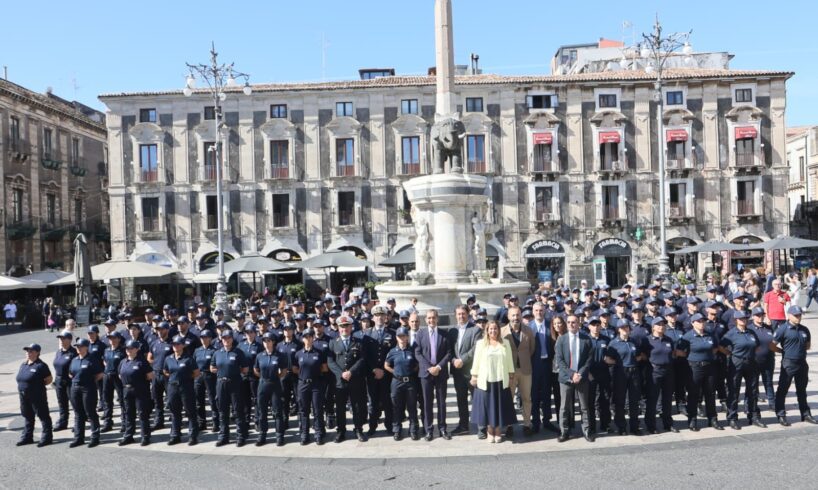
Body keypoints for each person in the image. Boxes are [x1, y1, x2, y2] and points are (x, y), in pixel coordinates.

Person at [470, 321, 517, 443]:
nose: (493, 331)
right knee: (488, 407)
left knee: (499, 407)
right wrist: (474, 375)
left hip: (500, 380)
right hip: (486, 380)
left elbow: (509, 360)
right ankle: (490, 430)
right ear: (487, 330)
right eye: (490, 329)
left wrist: (511, 374)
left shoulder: (505, 343)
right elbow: (476, 361)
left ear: (499, 330)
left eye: (495, 328)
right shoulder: (481, 344)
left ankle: (498, 430)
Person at [720, 311, 766, 429]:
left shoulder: (751, 332)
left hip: (751, 362)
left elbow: (756, 346)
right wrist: (730, 354)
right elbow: (720, 347)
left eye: (745, 318)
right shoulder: (730, 334)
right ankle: (732, 417)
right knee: (734, 391)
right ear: (736, 320)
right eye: (741, 319)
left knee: (753, 391)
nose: (743, 320)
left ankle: (753, 416)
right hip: (737, 363)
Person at [772, 306, 817, 426]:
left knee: (802, 390)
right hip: (789, 363)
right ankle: (781, 414)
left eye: (799, 315)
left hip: (802, 363)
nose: (798, 317)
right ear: (789, 315)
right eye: (796, 315)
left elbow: (808, 345)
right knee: (782, 390)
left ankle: (805, 414)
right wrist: (782, 351)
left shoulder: (804, 329)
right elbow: (772, 345)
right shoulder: (783, 329)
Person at [677, 313, 722, 431]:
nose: (702, 323)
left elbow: (715, 348)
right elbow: (679, 351)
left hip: (710, 367)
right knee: (693, 394)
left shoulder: (710, 334)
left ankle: (712, 419)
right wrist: (691, 357)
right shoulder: (688, 336)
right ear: (693, 323)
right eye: (699, 321)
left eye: (703, 321)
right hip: (695, 368)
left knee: (710, 393)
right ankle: (692, 420)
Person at [327, 315, 368, 442]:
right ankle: (341, 431)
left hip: (355, 379)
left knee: (356, 406)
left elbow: (362, 359)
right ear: (338, 328)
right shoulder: (333, 342)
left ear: (351, 327)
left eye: (346, 326)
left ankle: (358, 429)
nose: (344, 329)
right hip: (340, 381)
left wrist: (351, 372)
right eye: (341, 326)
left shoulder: (358, 342)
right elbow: (330, 361)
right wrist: (341, 374)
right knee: (340, 407)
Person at [554, 315, 593, 442]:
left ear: (579, 324)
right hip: (566, 378)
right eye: (569, 322)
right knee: (564, 407)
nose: (571, 324)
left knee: (584, 406)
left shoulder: (586, 339)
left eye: (574, 322)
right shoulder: (561, 339)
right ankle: (564, 431)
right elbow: (560, 360)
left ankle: (586, 430)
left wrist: (579, 374)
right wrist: (572, 374)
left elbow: (589, 359)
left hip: (582, 378)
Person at [414, 309, 452, 441]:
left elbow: (449, 353)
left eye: (433, 318)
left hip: (441, 373)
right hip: (426, 373)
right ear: (426, 320)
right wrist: (429, 367)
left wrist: (438, 367)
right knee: (427, 403)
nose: (431, 320)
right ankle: (428, 430)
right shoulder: (420, 334)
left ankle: (442, 428)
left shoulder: (444, 334)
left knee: (442, 402)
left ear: (437, 319)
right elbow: (417, 353)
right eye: (429, 318)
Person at [359, 305, 396, 436]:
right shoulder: (367, 333)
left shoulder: (392, 333)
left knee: (387, 401)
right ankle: (372, 426)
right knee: (372, 401)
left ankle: (389, 425)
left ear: (386, 317)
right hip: (372, 373)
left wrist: (385, 369)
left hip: (387, 373)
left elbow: (393, 353)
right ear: (373, 318)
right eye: (377, 315)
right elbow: (364, 354)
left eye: (382, 315)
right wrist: (374, 369)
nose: (379, 317)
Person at [210, 329, 250, 446]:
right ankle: (224, 436)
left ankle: (240, 436)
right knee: (222, 411)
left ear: (232, 339)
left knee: (238, 411)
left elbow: (245, 369)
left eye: (228, 338)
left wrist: (233, 372)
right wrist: (222, 371)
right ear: (221, 339)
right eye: (224, 338)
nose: (226, 340)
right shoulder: (217, 353)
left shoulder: (238, 352)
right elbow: (212, 367)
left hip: (235, 383)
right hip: (221, 383)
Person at [500, 305, 535, 437]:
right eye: (513, 315)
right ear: (508, 316)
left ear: (521, 316)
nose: (516, 317)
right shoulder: (502, 332)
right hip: (509, 371)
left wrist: (524, 359)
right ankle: (509, 425)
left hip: (525, 369)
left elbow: (532, 349)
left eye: (518, 315)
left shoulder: (528, 330)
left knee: (526, 398)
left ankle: (527, 424)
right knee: (509, 399)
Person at [605, 321, 643, 435]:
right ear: (618, 330)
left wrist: (633, 361)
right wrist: (619, 363)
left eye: (627, 327)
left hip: (634, 372)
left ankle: (634, 426)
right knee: (620, 400)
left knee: (634, 401)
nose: (625, 329)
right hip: (620, 372)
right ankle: (621, 427)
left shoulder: (634, 341)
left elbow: (639, 356)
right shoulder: (614, 343)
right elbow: (607, 359)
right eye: (622, 327)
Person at [164, 335, 201, 445]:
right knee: (174, 412)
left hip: (186, 387)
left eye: (178, 344)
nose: (175, 346)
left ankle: (193, 436)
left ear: (183, 345)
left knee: (190, 411)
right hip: (172, 387)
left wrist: (185, 378)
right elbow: (166, 371)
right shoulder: (168, 358)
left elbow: (196, 373)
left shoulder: (188, 358)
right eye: (174, 344)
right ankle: (175, 435)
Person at [384, 326, 420, 441]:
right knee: (396, 407)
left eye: (404, 336)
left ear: (407, 337)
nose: (402, 338)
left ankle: (413, 430)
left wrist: (411, 372)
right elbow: (386, 365)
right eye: (399, 336)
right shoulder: (392, 351)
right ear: (396, 337)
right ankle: (397, 430)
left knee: (412, 407)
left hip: (410, 382)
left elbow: (417, 364)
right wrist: (395, 372)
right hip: (397, 382)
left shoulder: (412, 350)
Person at [643, 317, 678, 433]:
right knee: (652, 399)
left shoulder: (668, 339)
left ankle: (668, 424)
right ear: (653, 327)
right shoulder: (647, 340)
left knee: (667, 399)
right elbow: (643, 355)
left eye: (663, 324)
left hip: (668, 371)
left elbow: (672, 353)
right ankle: (651, 425)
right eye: (659, 324)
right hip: (654, 371)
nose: (661, 327)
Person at [449, 305, 480, 436]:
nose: (461, 316)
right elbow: (449, 349)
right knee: (461, 400)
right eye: (459, 314)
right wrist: (453, 360)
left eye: (463, 313)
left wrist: (462, 360)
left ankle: (481, 427)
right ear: (455, 315)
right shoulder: (452, 330)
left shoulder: (475, 329)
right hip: (458, 372)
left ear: (468, 314)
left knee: (477, 400)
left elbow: (476, 348)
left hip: (472, 372)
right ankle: (463, 426)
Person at [294, 328, 328, 445]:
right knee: (304, 410)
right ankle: (305, 434)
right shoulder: (298, 354)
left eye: (310, 337)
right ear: (302, 339)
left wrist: (314, 373)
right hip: (303, 384)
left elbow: (324, 368)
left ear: (313, 338)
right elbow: (294, 368)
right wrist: (304, 374)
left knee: (318, 410)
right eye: (306, 337)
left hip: (316, 384)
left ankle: (318, 433)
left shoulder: (319, 353)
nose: (308, 339)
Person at [68, 338, 104, 447]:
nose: (78, 348)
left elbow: (99, 374)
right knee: (78, 413)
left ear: (86, 347)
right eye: (77, 347)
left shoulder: (92, 359)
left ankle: (95, 437)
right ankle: (79, 438)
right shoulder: (74, 360)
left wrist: (89, 381)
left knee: (90, 412)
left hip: (88, 388)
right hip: (75, 388)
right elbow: (70, 373)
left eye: (81, 346)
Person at [16, 343, 53, 447]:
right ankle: (27, 437)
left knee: (43, 416)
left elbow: (49, 379)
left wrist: (37, 386)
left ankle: (47, 438)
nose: (28, 353)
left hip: (37, 395)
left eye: (31, 351)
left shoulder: (41, 365)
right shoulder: (23, 364)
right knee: (28, 416)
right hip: (23, 395)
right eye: (27, 351)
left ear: (37, 353)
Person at [118, 339, 154, 446]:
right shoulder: (123, 362)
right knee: (129, 414)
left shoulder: (142, 361)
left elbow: (150, 376)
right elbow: (120, 375)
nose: (128, 350)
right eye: (127, 348)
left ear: (137, 349)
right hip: (127, 390)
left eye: (131, 348)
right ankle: (129, 436)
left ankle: (145, 436)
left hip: (140, 390)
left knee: (142, 414)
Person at [254, 331, 285, 446]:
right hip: (263, 385)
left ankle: (279, 435)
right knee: (262, 411)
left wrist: (275, 378)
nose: (266, 343)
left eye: (269, 341)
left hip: (275, 385)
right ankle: (262, 435)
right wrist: (263, 378)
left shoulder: (279, 355)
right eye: (264, 341)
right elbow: (256, 369)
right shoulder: (259, 356)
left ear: (273, 342)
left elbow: (284, 371)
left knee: (277, 411)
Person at [530, 302, 557, 434]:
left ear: (544, 311)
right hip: (534, 365)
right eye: (536, 310)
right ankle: (535, 422)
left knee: (547, 393)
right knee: (534, 394)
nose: (539, 313)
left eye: (541, 310)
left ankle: (547, 420)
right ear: (533, 312)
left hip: (548, 363)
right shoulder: (528, 327)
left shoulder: (550, 324)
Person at [193, 330, 219, 433]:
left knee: (213, 400)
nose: (204, 339)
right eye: (202, 337)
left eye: (206, 337)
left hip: (210, 376)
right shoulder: (197, 350)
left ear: (210, 338)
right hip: (199, 376)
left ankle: (216, 422)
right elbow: (193, 363)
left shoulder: (214, 351)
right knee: (199, 401)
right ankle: (201, 422)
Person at [101, 331, 126, 432]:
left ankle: (124, 422)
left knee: (122, 400)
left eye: (114, 338)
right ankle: (108, 422)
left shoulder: (123, 351)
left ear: (119, 339)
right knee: (107, 400)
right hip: (107, 376)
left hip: (118, 377)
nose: (112, 340)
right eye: (110, 338)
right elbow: (104, 361)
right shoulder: (106, 350)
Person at [52, 331, 77, 432]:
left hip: (70, 381)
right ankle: (63, 422)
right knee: (62, 403)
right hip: (59, 380)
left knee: (75, 403)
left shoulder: (73, 352)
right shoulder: (59, 352)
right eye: (60, 339)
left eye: (63, 339)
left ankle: (78, 422)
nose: (61, 341)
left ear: (70, 340)